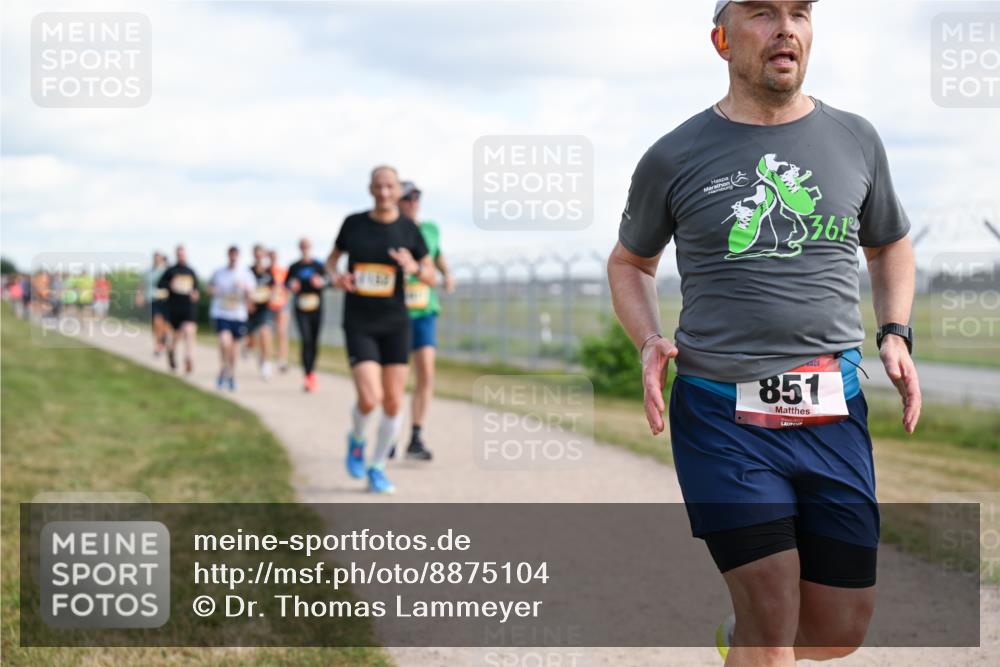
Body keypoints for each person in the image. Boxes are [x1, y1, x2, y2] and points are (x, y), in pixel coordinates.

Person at [607, 2, 921, 665]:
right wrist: (649, 339)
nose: (786, 27)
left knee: (837, 630)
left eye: (799, 13)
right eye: (762, 12)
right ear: (722, 40)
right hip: (722, 416)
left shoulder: (856, 139)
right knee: (773, 619)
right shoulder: (675, 154)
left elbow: (889, 243)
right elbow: (630, 263)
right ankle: (757, 638)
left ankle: (741, 640)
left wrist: (895, 331)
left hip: (832, 409)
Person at [327, 165, 436, 494]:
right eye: (379, 186)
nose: (385, 192)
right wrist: (336, 277)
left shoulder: (408, 229)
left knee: (392, 402)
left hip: (395, 323)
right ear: (370, 189)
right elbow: (331, 261)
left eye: (390, 186)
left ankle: (377, 467)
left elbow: (431, 275)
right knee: (370, 398)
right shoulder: (353, 223)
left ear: (398, 190)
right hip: (359, 321)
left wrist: (414, 267)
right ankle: (357, 439)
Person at [393, 181, 456, 460]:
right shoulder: (390, 229)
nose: (413, 202)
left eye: (416, 197)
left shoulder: (430, 229)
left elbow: (437, 254)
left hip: (424, 309)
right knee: (396, 377)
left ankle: (416, 436)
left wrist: (447, 274)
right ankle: (390, 434)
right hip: (396, 312)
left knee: (426, 373)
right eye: (407, 198)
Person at [208, 246, 255, 391]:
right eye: (231, 255)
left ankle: (231, 375)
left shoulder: (245, 273)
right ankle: (223, 369)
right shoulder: (219, 272)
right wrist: (212, 291)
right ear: (228, 255)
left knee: (234, 349)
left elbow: (252, 295)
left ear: (238, 256)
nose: (233, 258)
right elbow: (209, 288)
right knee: (224, 342)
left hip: (238, 315)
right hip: (222, 313)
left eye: (235, 255)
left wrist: (245, 288)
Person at [286, 238, 328, 392]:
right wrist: (291, 285)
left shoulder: (318, 265)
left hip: (316, 308)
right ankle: (307, 375)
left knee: (314, 342)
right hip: (301, 308)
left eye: (307, 246)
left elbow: (328, 281)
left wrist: (321, 282)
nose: (305, 249)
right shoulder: (294, 267)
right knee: (306, 340)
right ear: (299, 248)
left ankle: (312, 372)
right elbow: (286, 284)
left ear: (311, 247)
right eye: (302, 246)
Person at [158, 244, 201, 374]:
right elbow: (160, 285)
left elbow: (196, 289)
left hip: (188, 308)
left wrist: (195, 294)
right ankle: (171, 351)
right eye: (179, 254)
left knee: (189, 331)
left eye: (183, 254)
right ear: (176, 255)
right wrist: (170, 286)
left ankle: (188, 357)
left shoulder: (190, 271)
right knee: (176, 336)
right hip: (174, 308)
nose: (182, 256)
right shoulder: (171, 271)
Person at [247, 244, 276, 380]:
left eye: (261, 254)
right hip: (251, 309)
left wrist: (272, 296)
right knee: (251, 339)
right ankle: (254, 350)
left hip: (265, 308)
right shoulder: (248, 271)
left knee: (265, 332)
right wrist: (248, 302)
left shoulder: (269, 272)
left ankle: (266, 363)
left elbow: (274, 288)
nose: (259, 257)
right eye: (256, 254)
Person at [136, 252, 170, 356]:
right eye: (155, 258)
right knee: (156, 322)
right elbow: (142, 284)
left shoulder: (166, 270)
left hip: (166, 300)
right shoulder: (148, 272)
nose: (157, 260)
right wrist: (139, 296)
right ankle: (157, 345)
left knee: (165, 324)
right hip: (153, 299)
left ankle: (163, 340)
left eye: (159, 258)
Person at [268, 248, 291, 373]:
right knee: (266, 333)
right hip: (268, 305)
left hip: (281, 304)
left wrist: (285, 296)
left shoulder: (283, 271)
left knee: (281, 332)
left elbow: (288, 287)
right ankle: (267, 357)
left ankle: (282, 360)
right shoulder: (266, 271)